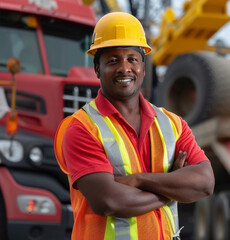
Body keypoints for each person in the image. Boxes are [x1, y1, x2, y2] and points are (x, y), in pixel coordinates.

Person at [54, 12, 214, 240]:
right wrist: (171, 191)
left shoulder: (172, 124)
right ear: (97, 69)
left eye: (132, 59)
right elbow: (109, 201)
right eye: (112, 60)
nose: (124, 68)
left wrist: (140, 180)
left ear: (143, 67)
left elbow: (205, 183)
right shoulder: (81, 128)